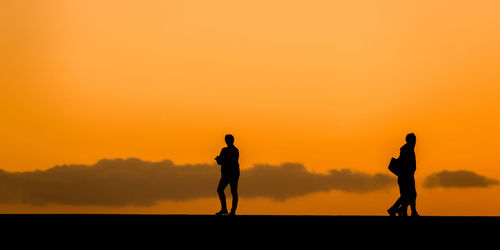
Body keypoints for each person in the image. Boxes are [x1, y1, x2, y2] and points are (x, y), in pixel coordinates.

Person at [387, 133, 419, 217]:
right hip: (406, 176)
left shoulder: (408, 149)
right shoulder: (407, 149)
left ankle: (403, 211)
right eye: (414, 140)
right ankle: (397, 210)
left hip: (407, 176)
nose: (415, 142)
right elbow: (405, 163)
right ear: (410, 141)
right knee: (409, 195)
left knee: (409, 195)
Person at [215, 134, 240, 216]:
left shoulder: (225, 150)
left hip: (228, 174)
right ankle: (232, 211)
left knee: (220, 190)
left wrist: (218, 159)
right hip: (235, 173)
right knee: (234, 192)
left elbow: (220, 162)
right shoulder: (236, 150)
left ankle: (225, 209)